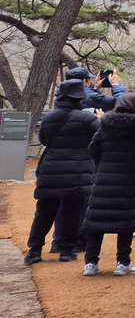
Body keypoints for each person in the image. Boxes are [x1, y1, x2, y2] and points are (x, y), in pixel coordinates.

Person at [79, 92, 135, 276]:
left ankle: (91, 263)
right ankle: (123, 263)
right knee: (126, 221)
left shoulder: (105, 125)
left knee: (97, 221)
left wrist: (105, 163)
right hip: (130, 179)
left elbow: (93, 149)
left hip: (104, 179)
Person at [24, 78, 98, 264]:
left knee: (44, 211)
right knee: (72, 212)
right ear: (79, 98)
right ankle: (66, 250)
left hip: (50, 169)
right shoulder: (87, 118)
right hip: (77, 170)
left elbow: (44, 140)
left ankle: (34, 250)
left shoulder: (48, 118)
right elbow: (97, 140)